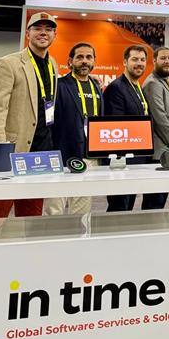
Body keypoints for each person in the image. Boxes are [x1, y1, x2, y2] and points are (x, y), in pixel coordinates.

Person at [0, 12, 59, 217]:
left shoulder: (52, 64)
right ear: (28, 34)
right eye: (38, 28)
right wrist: (0, 151)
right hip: (12, 152)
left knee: (30, 217)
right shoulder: (8, 63)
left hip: (41, 152)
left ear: (55, 35)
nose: (43, 33)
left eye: (48, 29)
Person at [45, 42, 104, 215]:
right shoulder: (59, 85)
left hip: (89, 157)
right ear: (70, 61)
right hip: (62, 156)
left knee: (82, 211)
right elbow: (49, 122)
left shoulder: (96, 87)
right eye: (80, 57)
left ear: (94, 61)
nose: (84, 61)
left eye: (89, 57)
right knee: (54, 210)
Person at [103, 44, 151, 212]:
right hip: (122, 160)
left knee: (128, 206)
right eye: (134, 59)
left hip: (136, 157)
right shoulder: (116, 87)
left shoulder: (137, 86)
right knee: (119, 207)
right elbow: (116, 127)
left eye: (142, 60)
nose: (139, 63)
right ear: (125, 62)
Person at [143, 46, 169, 210]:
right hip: (161, 152)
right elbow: (160, 119)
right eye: (163, 58)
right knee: (154, 202)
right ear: (154, 61)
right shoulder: (152, 83)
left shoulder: (166, 83)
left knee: (160, 201)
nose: (167, 61)